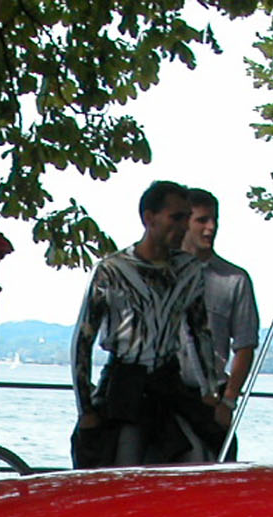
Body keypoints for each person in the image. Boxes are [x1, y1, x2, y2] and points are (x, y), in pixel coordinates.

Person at [71, 179, 217, 467]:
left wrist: (211, 393)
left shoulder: (189, 270)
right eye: (176, 217)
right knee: (122, 460)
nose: (183, 226)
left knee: (204, 450)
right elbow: (83, 341)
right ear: (149, 218)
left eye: (186, 218)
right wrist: (85, 409)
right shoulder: (112, 271)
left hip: (168, 383)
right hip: (124, 383)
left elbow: (200, 332)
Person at [184, 189, 260, 454]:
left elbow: (245, 345)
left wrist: (228, 401)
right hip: (165, 394)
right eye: (202, 220)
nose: (211, 228)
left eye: (214, 220)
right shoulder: (163, 275)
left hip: (211, 399)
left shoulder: (235, 280)